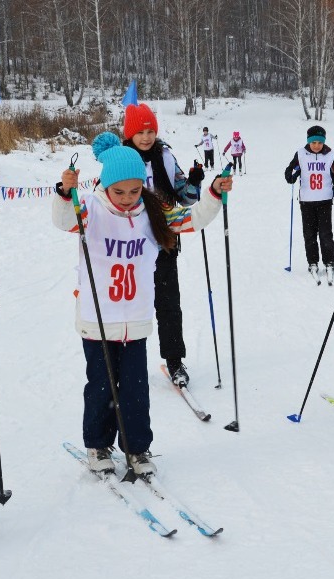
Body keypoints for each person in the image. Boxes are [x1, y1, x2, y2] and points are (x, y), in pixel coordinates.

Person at [53, 132, 234, 474]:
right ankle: (98, 445)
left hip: (135, 318)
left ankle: (137, 449)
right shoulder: (90, 208)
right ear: (106, 186)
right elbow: (63, 220)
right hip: (98, 319)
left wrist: (212, 193)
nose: (127, 198)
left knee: (135, 390)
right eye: (119, 191)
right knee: (102, 387)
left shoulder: (152, 211)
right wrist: (65, 193)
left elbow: (191, 219)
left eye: (134, 191)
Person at [122, 103, 205, 388]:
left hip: (163, 242)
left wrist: (194, 182)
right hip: (129, 246)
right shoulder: (120, 159)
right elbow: (106, 198)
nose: (146, 137)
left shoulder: (166, 158)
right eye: (140, 132)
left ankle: (174, 361)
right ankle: (126, 361)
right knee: (130, 306)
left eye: (150, 131)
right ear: (129, 134)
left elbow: (187, 198)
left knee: (169, 305)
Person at [283, 124, 334, 283]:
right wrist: (292, 174)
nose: (317, 146)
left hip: (324, 200)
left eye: (320, 142)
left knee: (325, 234)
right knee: (309, 234)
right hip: (307, 202)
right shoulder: (300, 154)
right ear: (308, 141)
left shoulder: (330, 155)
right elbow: (289, 172)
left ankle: (329, 261)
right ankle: (312, 262)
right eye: (313, 142)